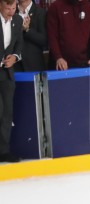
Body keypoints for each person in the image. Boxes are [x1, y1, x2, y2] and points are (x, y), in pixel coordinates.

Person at [46, 0, 90, 70]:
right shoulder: (55, 7)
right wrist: (58, 57)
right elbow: (52, 36)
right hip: (59, 67)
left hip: (84, 66)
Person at [0, 0, 22, 163]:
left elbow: (19, 44)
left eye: (13, 7)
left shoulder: (17, 20)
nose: (11, 11)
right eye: (8, 7)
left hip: (7, 75)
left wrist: (15, 57)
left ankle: (3, 151)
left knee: (7, 114)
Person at [15, 0, 46, 73]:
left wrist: (27, 30)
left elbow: (44, 40)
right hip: (13, 65)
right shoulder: (11, 11)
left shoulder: (40, 12)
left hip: (34, 65)